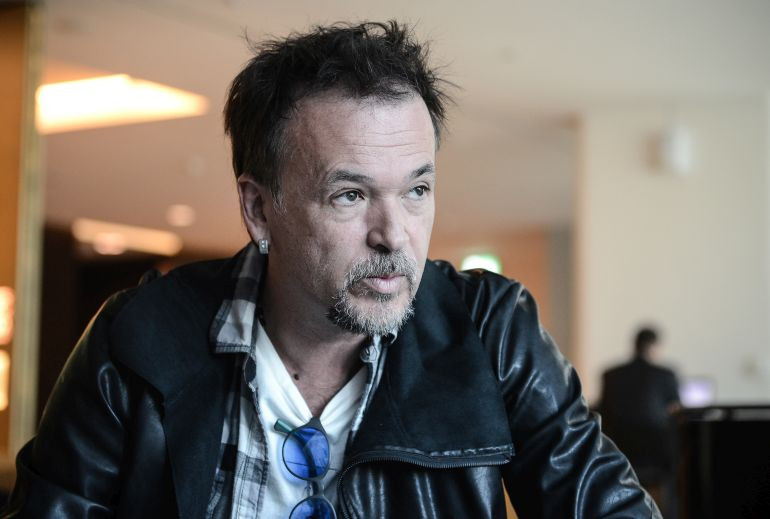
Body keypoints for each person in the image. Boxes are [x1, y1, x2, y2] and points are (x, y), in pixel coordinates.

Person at [4, 21, 660, 518]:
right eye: (350, 195)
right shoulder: (139, 340)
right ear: (259, 208)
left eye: (417, 190)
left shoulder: (491, 331)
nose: (394, 235)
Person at [599, 327, 681, 518]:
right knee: (678, 463)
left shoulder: (610, 375)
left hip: (619, 448)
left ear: (634, 345)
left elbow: (603, 411)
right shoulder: (666, 375)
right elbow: (676, 412)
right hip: (656, 451)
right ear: (654, 346)